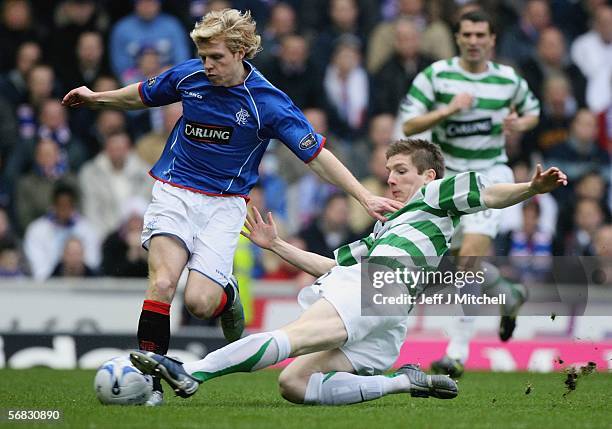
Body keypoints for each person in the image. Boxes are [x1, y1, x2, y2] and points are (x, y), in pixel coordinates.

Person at [62, 8, 401, 406]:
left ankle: (226, 292)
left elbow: (317, 155)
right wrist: (97, 98)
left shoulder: (268, 103)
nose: (208, 66)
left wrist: (363, 195)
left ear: (241, 52)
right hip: (174, 191)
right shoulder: (189, 76)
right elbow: (142, 94)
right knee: (164, 283)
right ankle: (149, 387)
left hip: (224, 206)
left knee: (200, 303)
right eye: (204, 57)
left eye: (217, 58)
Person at [130, 138, 567, 406]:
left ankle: (191, 371)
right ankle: (401, 383)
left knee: (292, 338)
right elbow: (335, 267)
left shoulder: (435, 193)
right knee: (293, 384)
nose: (390, 179)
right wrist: (278, 246)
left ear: (428, 174)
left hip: (380, 288)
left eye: (400, 171)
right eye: (388, 171)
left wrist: (530, 188)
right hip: (387, 308)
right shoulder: (389, 223)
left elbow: (489, 194)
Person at [398, 10, 540, 377]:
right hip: (447, 178)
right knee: (456, 263)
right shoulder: (436, 76)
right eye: (467, 35)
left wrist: (517, 123)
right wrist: (448, 109)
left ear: (492, 39)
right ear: (457, 38)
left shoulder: (508, 80)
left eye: (481, 34)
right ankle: (509, 295)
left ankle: (457, 353)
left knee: (471, 257)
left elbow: (533, 112)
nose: (474, 41)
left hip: (491, 174)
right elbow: (408, 123)